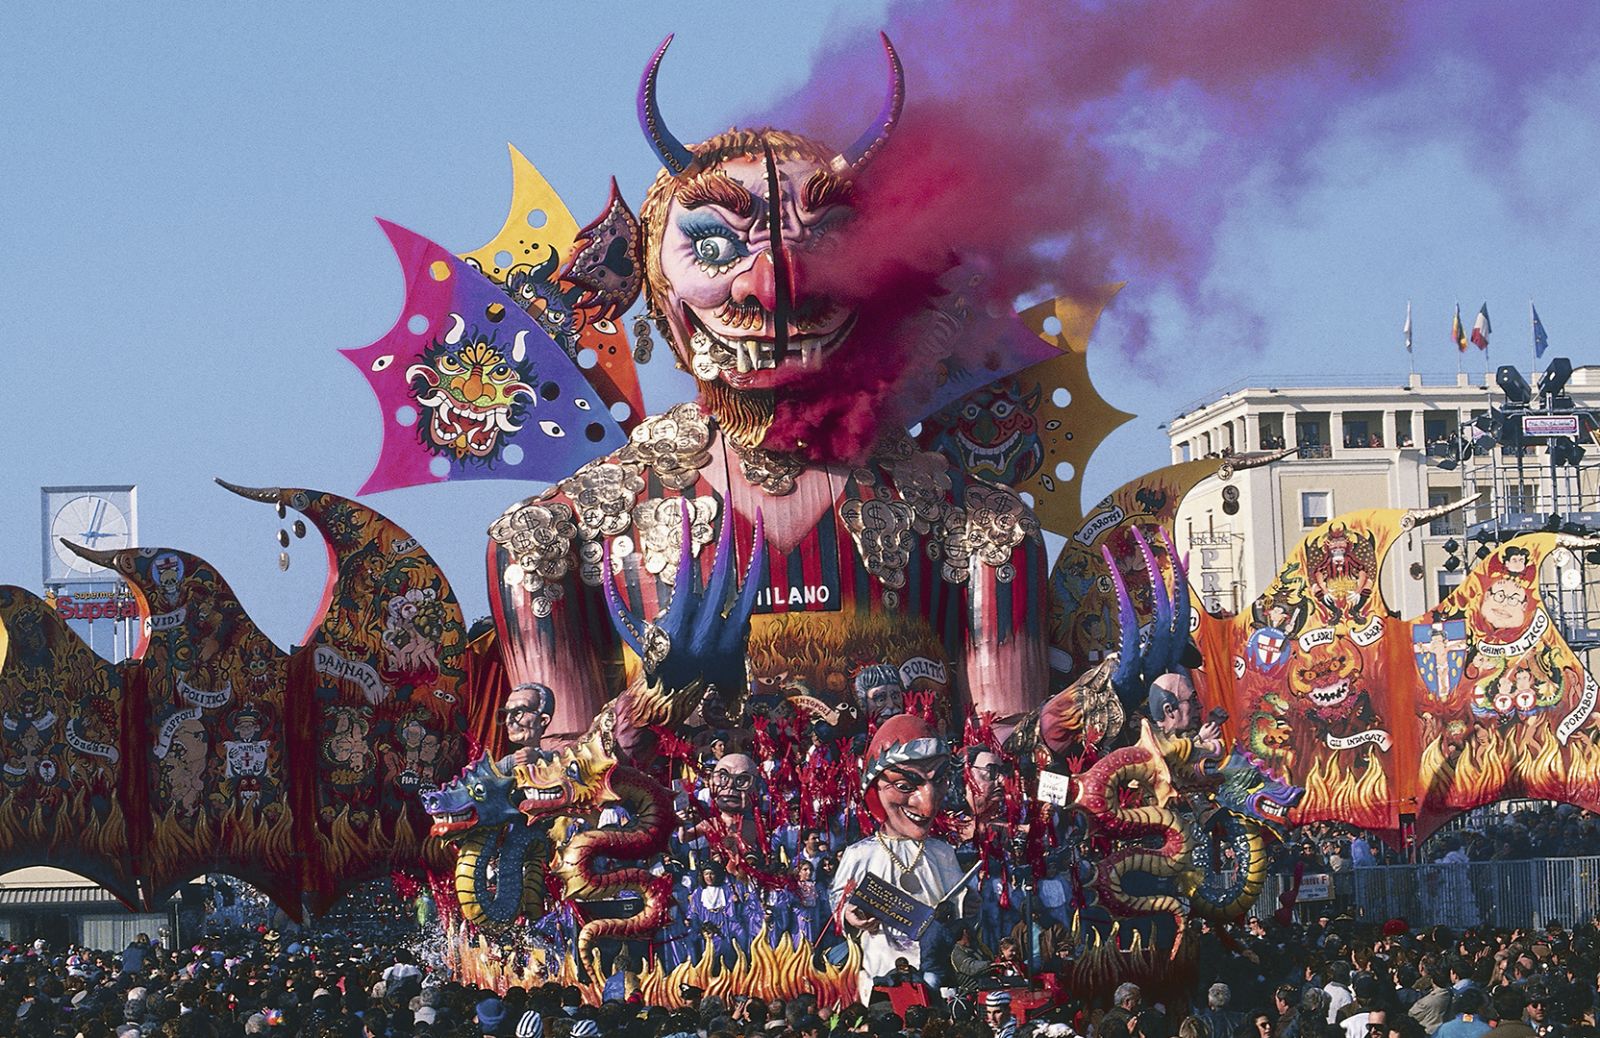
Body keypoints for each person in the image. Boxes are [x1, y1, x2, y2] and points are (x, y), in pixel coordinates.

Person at [832, 715, 966, 1003]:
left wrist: (966, 907)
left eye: (938, 780)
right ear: (874, 788)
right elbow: (838, 900)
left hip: (935, 970)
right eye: (906, 785)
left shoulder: (942, 853)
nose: (927, 804)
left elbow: (962, 909)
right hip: (881, 968)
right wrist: (849, 914)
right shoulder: (860, 854)